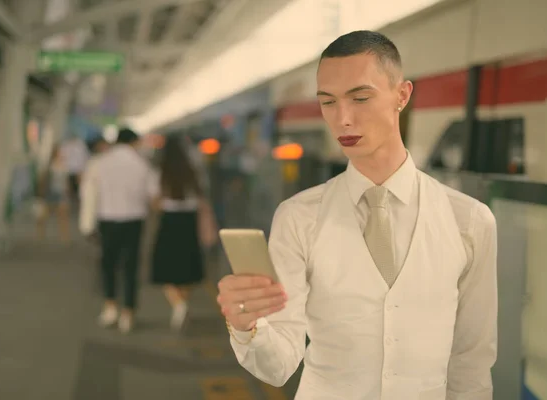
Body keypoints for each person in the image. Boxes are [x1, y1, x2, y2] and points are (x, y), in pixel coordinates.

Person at [216, 31, 498, 399]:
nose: (342, 119)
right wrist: (247, 326)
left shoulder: (471, 221)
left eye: (360, 98)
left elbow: (471, 360)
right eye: (328, 102)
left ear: (402, 95)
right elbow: (279, 365)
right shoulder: (298, 217)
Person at [94, 128, 156, 334]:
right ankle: (128, 313)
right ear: (133, 142)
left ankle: (110, 307)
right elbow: (152, 194)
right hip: (134, 220)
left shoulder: (102, 162)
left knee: (108, 264)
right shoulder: (141, 163)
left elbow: (93, 192)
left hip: (107, 218)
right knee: (130, 266)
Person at [150, 136, 207, 330]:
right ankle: (182, 304)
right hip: (189, 221)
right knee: (187, 267)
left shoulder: (160, 172)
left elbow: (155, 202)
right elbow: (201, 196)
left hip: (169, 221)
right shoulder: (192, 172)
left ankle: (179, 305)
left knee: (165, 267)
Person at [36, 144, 71, 242]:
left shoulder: (64, 165)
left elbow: (66, 180)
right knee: (43, 215)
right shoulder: (50, 165)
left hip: (61, 192)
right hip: (51, 192)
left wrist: (68, 191)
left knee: (63, 215)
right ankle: (40, 235)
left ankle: (64, 236)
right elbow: (43, 179)